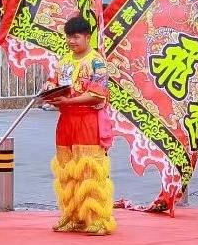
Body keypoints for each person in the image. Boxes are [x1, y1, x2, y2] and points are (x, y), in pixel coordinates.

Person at [42, 15, 115, 236]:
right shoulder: (63, 61)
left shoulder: (97, 62)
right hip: (65, 122)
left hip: (87, 121)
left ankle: (98, 219)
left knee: (89, 170)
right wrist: (48, 90)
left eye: (76, 37)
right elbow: (53, 83)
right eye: (69, 37)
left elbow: (96, 95)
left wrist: (69, 101)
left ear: (87, 37)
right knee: (66, 170)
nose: (72, 41)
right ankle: (73, 216)